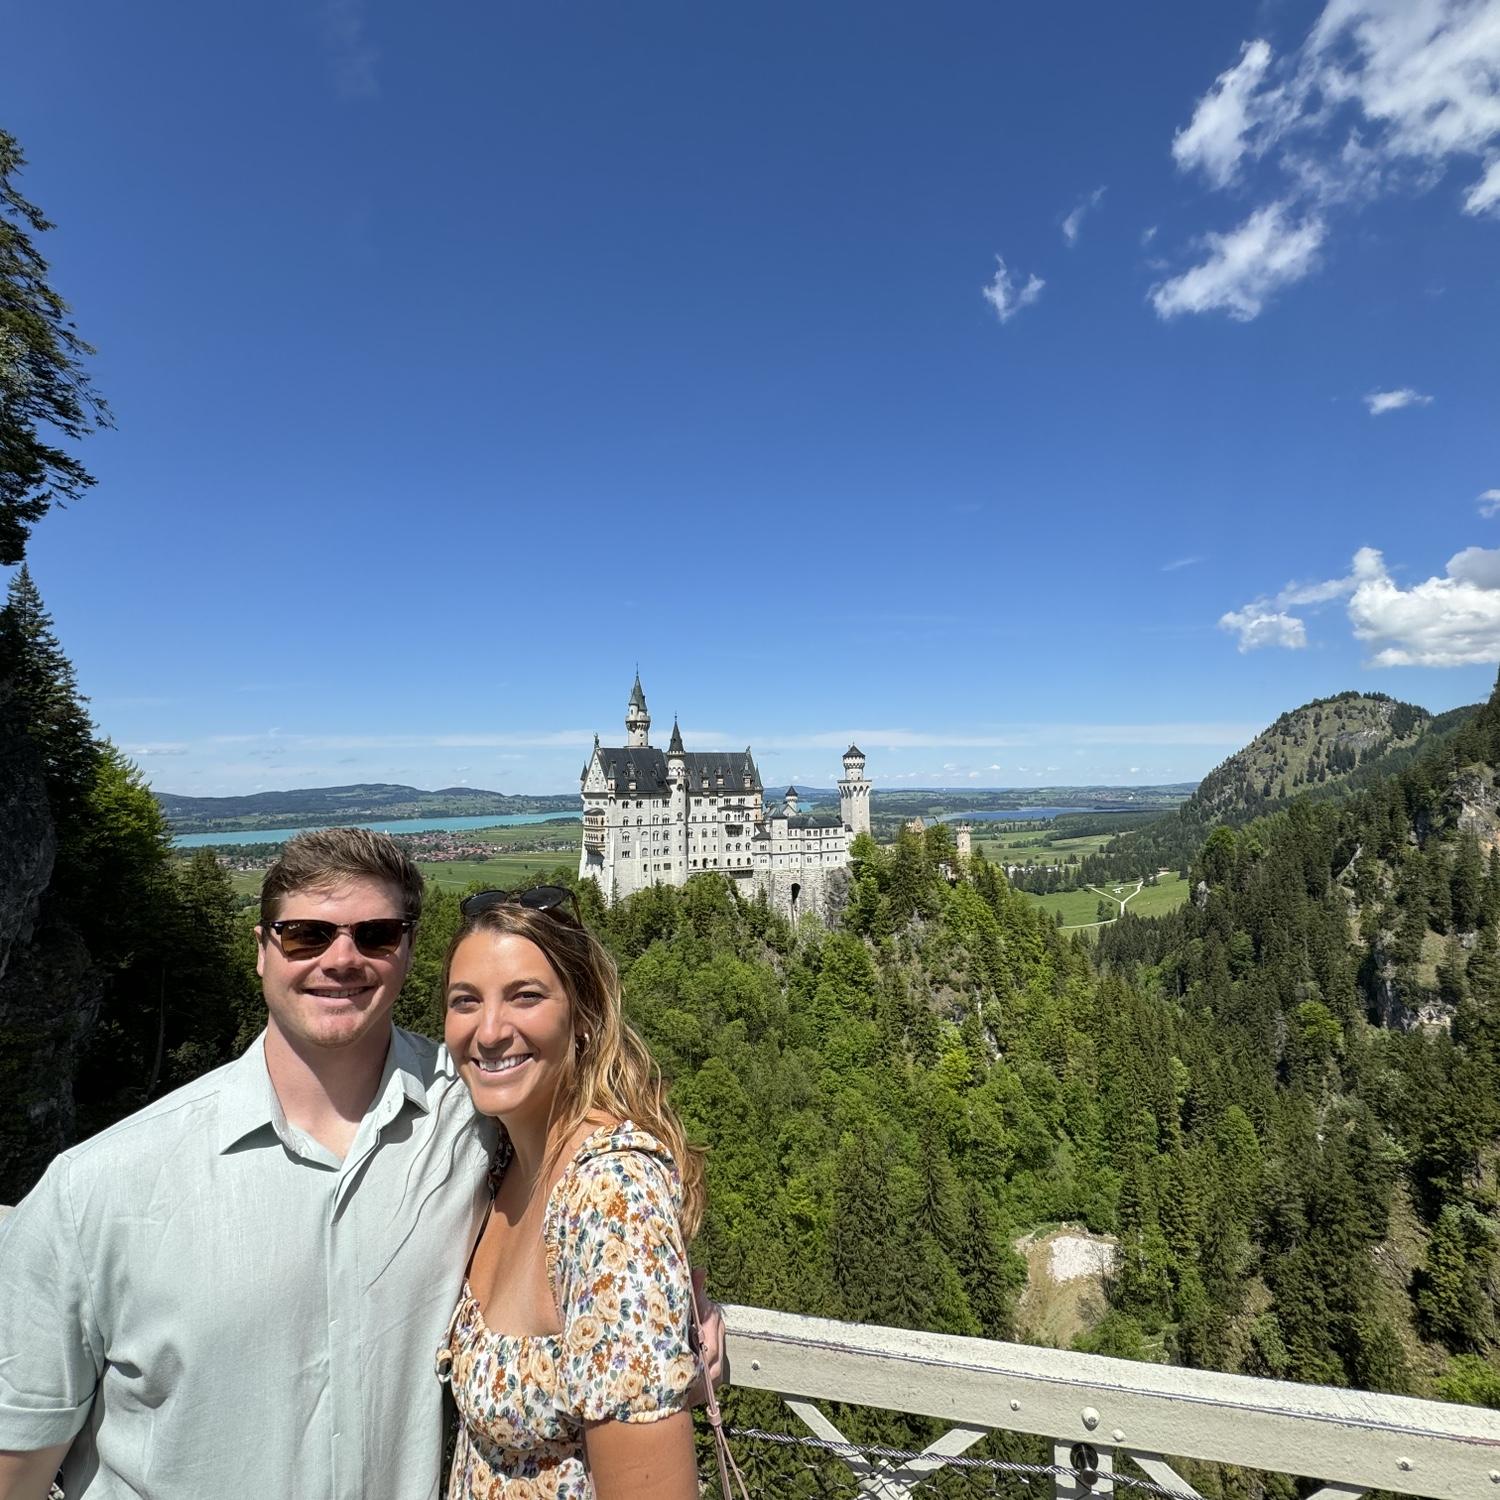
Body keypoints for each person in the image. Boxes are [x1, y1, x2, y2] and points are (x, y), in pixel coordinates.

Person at [0, 829, 722, 1500]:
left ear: (406, 953)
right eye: (305, 933)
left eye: (373, 935)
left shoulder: (474, 1112)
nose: (340, 958)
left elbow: (609, 1210)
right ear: (262, 949)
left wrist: (661, 1325)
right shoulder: (95, 1188)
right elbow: (19, 1465)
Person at [437, 887, 703, 1499]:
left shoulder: (612, 1198)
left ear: (582, 1018)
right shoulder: (497, 1159)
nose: (490, 1031)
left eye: (525, 997)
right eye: (465, 1002)